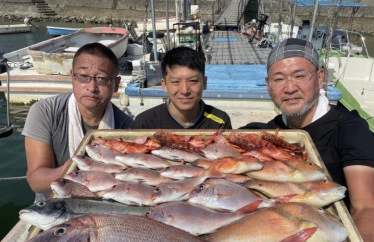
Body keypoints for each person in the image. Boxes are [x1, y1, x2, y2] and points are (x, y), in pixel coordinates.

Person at [241, 38, 374, 242]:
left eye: (299, 76)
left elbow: (366, 206)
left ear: (320, 77)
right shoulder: (270, 132)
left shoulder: (349, 128)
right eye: (278, 79)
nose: (289, 88)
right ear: (269, 86)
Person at [22, 42, 134, 201]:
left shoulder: (126, 127)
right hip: (54, 206)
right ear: (72, 77)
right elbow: (36, 181)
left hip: (103, 206)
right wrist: (79, 166)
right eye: (83, 76)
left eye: (101, 78)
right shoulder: (45, 112)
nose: (92, 87)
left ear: (115, 84)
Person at [132, 46, 232, 129]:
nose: (185, 90)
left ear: (204, 83)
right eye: (176, 82)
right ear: (164, 85)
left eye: (193, 81)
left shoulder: (220, 121)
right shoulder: (145, 123)